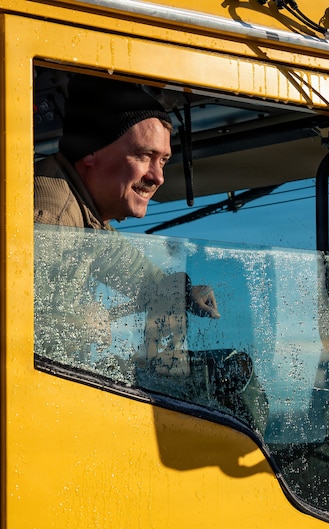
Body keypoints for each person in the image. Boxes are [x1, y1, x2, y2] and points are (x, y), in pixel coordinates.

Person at [33, 74, 268, 432]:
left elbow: (132, 271)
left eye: (164, 161)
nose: (158, 177)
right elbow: (10, 332)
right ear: (91, 153)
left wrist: (182, 291)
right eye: (144, 156)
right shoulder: (52, 214)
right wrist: (73, 322)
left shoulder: (84, 212)